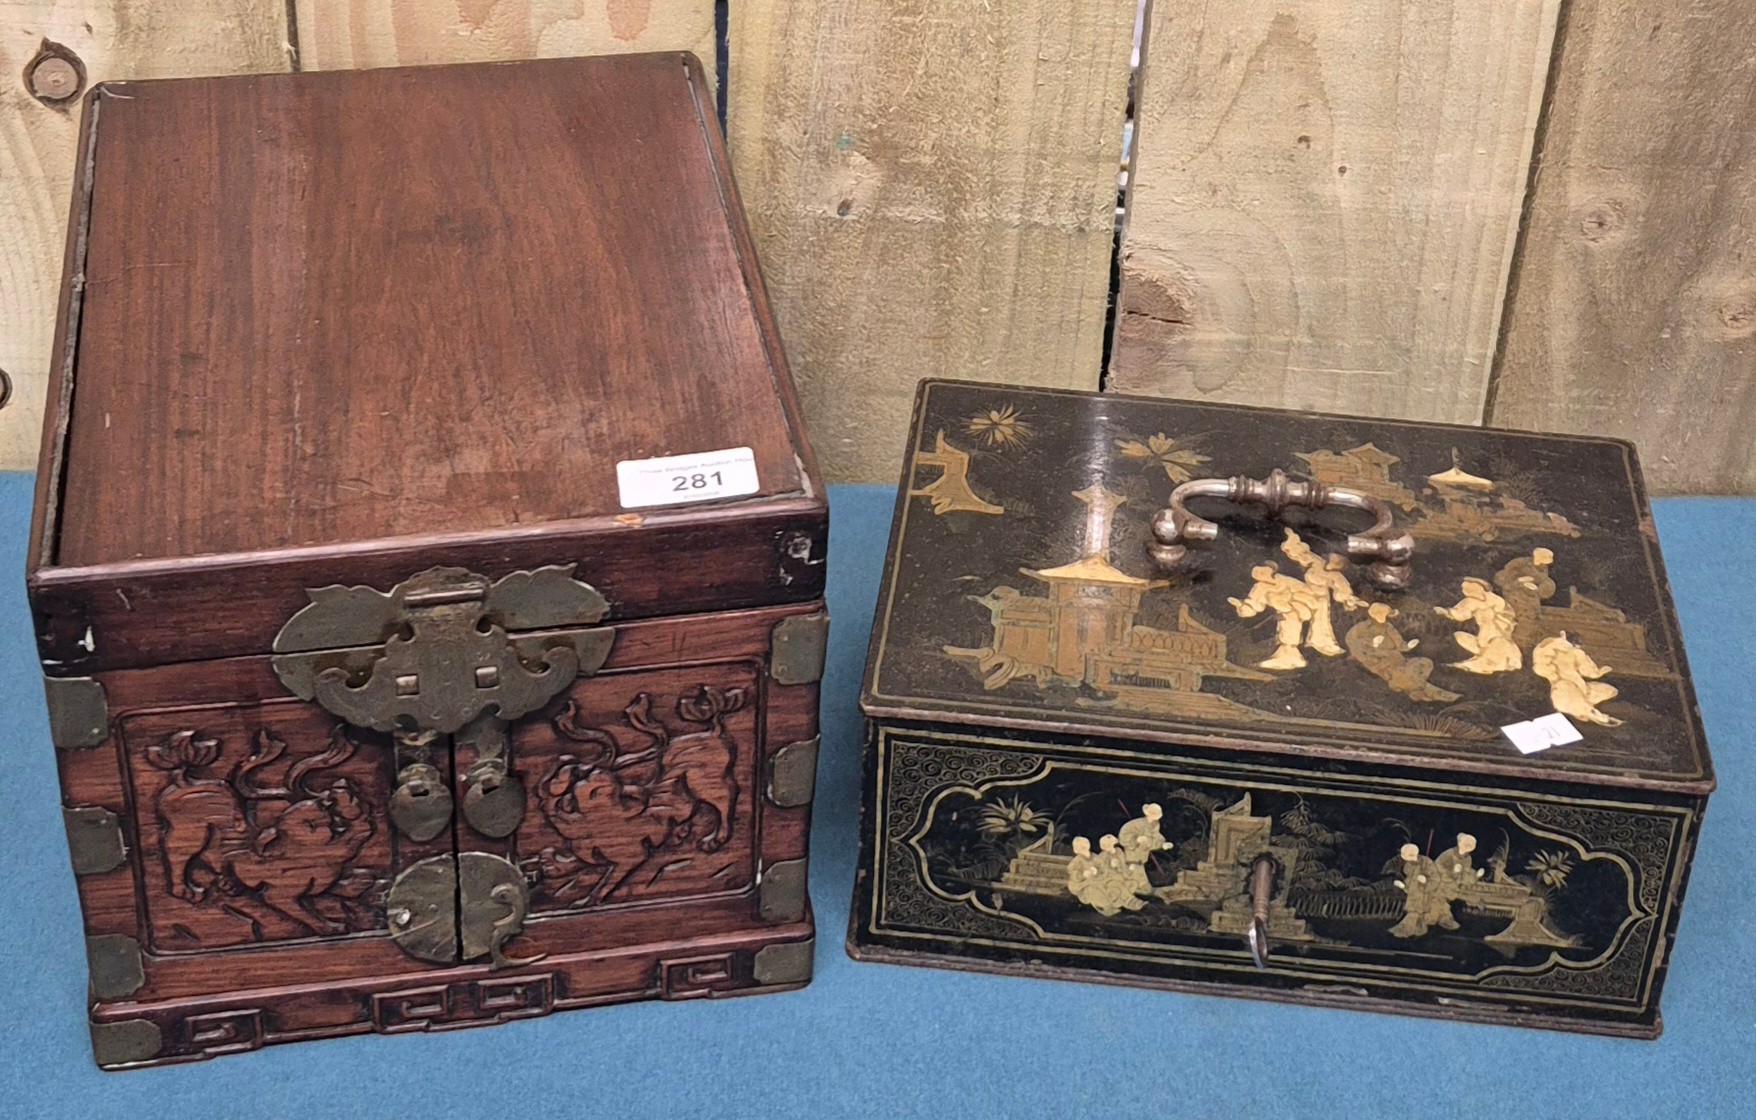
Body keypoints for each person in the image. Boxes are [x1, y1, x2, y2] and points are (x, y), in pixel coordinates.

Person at [1344, 602, 1460, 703]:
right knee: (1403, 675)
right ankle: (1436, 694)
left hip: (1400, 661)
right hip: (1384, 666)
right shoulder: (1361, 629)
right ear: (1374, 615)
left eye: (1385, 615)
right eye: (1381, 615)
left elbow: (1400, 643)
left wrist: (1408, 645)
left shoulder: (1388, 627)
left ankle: (1416, 692)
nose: (1383, 618)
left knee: (1425, 663)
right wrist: (1373, 646)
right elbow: (1355, 643)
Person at [1281, 529, 1366, 656]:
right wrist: (1292, 539)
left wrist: (1350, 599)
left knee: (1321, 619)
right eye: (1333, 558)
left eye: (1337, 562)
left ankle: (1322, 642)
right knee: (1290, 607)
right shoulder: (1318, 562)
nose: (1333, 562)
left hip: (1320, 596)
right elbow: (1302, 554)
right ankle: (1288, 646)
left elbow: (1342, 589)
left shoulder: (1336, 576)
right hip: (1306, 591)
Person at [1230, 562, 1328, 670]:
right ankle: (1286, 655)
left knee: (1291, 624)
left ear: (1271, 571)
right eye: (1257, 573)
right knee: (1285, 626)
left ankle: (1290, 656)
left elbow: (1305, 590)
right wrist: (1243, 608)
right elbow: (1254, 604)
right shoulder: (1260, 587)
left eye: (1263, 571)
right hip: (1283, 610)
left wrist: (1300, 602)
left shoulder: (1284, 580)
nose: (1260, 574)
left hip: (1297, 606)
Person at [1532, 632, 1622, 726]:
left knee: (1610, 691)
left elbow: (1586, 669)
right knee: (1575, 701)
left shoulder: (1576, 653)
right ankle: (1594, 714)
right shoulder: (1550, 649)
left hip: (1578, 685)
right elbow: (1540, 667)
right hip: (1563, 688)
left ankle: (1592, 713)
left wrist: (1597, 672)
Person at [1435, 578, 1522, 674]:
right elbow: (1460, 613)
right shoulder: (1469, 602)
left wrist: (1497, 620)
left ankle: (1475, 664)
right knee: (1459, 636)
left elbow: (1508, 617)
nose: (1467, 590)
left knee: (1498, 645)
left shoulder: (1495, 600)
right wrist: (1446, 612)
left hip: (1498, 633)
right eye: (1465, 588)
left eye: (1471, 587)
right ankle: (1478, 657)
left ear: (1482, 588)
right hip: (1483, 635)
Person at [1389, 842, 1459, 938]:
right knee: (1415, 911)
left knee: (1422, 911)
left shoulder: (1426, 862)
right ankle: (1415, 928)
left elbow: (1435, 879)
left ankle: (1411, 928)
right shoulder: (1408, 865)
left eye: (1408, 855)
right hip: (1415, 894)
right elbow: (1410, 881)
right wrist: (1403, 886)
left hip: (1427, 893)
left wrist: (1425, 881)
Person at [1494, 547, 1557, 648]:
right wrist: (1520, 581)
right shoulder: (1519, 563)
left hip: (1530, 600)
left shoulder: (1542, 568)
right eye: (1546, 557)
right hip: (1515, 597)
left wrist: (1537, 588)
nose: (1548, 561)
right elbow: (1504, 577)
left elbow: (1544, 583)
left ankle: (1521, 644)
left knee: (1528, 625)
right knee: (1509, 622)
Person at [1117, 803, 1172, 894]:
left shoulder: (1155, 825)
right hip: (1133, 852)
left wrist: (1162, 844)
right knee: (1134, 868)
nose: (1155, 817)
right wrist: (1136, 839)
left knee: (1139, 868)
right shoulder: (1135, 824)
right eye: (1153, 813)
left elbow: (1155, 836)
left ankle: (1140, 888)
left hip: (1143, 853)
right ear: (1147, 813)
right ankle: (1137, 888)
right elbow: (1123, 836)